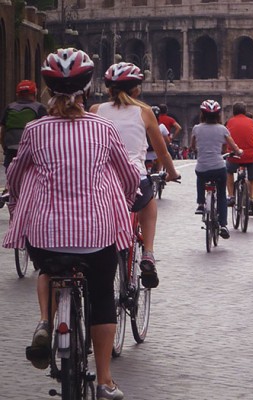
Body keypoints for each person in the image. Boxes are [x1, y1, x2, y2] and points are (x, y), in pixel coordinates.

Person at [3, 48, 140, 400]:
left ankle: (46, 321)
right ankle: (106, 381)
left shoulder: (35, 129)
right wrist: (123, 202)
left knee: (48, 268)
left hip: (46, 234)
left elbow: (15, 176)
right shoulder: (102, 128)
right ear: (88, 87)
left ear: (48, 88)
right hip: (96, 234)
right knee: (101, 296)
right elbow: (127, 176)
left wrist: (17, 204)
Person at [90, 62, 180, 289]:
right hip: (134, 179)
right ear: (137, 89)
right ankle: (148, 253)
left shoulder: (95, 110)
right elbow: (162, 151)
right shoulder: (145, 112)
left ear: (108, 88)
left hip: (102, 180)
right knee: (148, 203)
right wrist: (171, 173)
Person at [191, 99, 243, 239]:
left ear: (202, 114)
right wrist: (239, 152)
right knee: (221, 194)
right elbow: (233, 146)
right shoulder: (222, 129)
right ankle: (223, 225)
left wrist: (197, 149)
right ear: (218, 115)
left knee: (200, 176)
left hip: (202, 167)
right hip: (219, 168)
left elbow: (192, 146)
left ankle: (201, 203)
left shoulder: (196, 128)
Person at [0, 80, 47, 173]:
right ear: (35, 93)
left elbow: (2, 131)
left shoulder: (10, 107)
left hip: (11, 148)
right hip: (31, 149)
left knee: (10, 174)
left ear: (18, 94)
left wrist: (5, 148)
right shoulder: (40, 108)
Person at [225, 101, 253, 215]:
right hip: (251, 155)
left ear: (233, 111)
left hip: (234, 155)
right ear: (245, 111)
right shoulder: (252, 122)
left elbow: (226, 139)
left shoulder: (230, 122)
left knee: (229, 171)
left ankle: (230, 196)